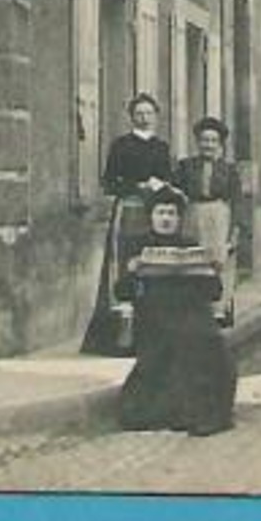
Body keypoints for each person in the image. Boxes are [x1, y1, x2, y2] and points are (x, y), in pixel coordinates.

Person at [116, 186, 237, 435]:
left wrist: (210, 270)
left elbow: (213, 292)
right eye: (161, 213)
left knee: (211, 342)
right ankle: (185, 411)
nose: (166, 219)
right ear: (151, 216)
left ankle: (208, 414)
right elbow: (122, 291)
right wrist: (131, 270)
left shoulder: (190, 245)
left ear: (179, 219)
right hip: (154, 315)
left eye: (172, 214)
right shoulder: (138, 247)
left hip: (191, 312)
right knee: (184, 341)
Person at [82, 93, 173, 355]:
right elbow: (110, 180)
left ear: (156, 116)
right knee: (123, 268)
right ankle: (122, 338)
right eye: (139, 113)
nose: (144, 118)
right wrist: (135, 186)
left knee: (154, 266)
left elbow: (168, 178)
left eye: (149, 113)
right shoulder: (121, 145)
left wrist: (161, 186)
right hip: (129, 213)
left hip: (155, 215)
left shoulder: (161, 147)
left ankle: (153, 335)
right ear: (132, 116)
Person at [175, 116, 239, 327]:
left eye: (213, 141)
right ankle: (194, 308)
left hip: (220, 215)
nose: (208, 145)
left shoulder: (229, 170)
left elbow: (237, 202)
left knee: (219, 261)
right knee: (193, 260)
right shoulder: (186, 166)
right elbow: (176, 194)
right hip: (193, 213)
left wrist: (234, 233)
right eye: (204, 140)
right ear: (198, 142)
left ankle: (219, 310)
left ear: (220, 144)